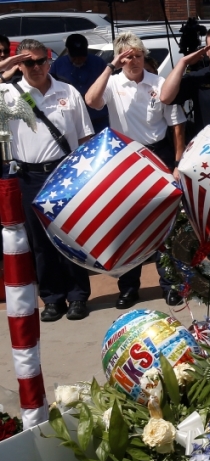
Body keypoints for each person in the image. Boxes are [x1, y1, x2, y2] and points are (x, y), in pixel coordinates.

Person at [85, 32, 186, 309]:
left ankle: (171, 284)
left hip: (159, 154)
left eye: (138, 56)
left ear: (144, 57)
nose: (134, 62)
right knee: (128, 225)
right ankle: (129, 288)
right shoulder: (112, 83)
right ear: (120, 59)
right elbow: (92, 101)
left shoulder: (160, 83)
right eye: (127, 57)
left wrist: (177, 163)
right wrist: (110, 66)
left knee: (167, 224)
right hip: (126, 158)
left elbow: (177, 124)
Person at [0, 39, 93, 321]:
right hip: (29, 175)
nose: (37, 67)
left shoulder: (67, 91)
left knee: (70, 237)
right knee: (39, 241)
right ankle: (52, 298)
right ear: (19, 64)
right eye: (29, 62)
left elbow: (86, 135)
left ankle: (78, 296)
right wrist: (4, 67)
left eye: (42, 61)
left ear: (49, 61)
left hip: (66, 173)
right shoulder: (7, 93)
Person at [49, 34, 109, 133]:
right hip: (73, 121)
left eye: (82, 56)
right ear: (67, 51)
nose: (78, 60)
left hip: (99, 120)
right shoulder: (57, 66)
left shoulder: (99, 63)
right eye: (74, 57)